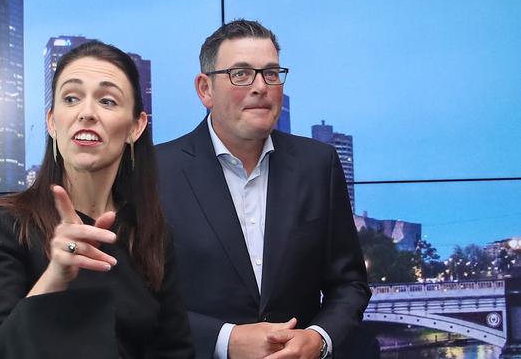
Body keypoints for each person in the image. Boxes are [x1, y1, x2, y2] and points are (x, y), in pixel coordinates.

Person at [156, 19, 371, 359]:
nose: (260, 86)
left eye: (271, 73)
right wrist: (226, 340)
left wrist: (318, 339)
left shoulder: (318, 164)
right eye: (241, 74)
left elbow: (349, 285)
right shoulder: (155, 172)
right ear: (205, 89)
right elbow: (137, 300)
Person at [0, 40, 194, 359]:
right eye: (71, 98)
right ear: (52, 121)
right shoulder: (2, 225)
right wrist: (57, 274)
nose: (86, 113)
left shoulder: (149, 234)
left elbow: (175, 350)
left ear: (136, 126)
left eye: (108, 100)